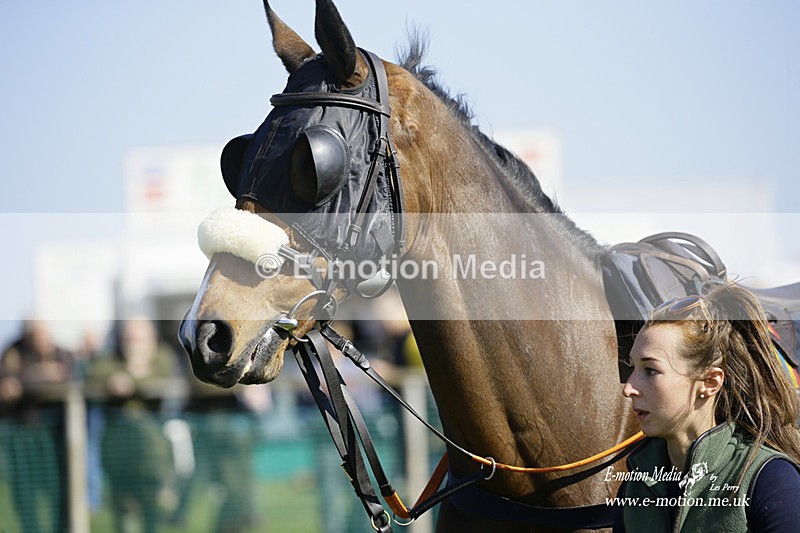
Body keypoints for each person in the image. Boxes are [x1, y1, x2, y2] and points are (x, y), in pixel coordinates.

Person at [614, 282, 800, 532]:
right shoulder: (633, 487)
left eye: (650, 370)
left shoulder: (771, 479)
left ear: (710, 382)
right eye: (632, 368)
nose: (628, 388)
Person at [86, 317, 179, 533]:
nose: (134, 344)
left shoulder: (162, 355)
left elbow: (163, 376)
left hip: (152, 448)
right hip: (118, 448)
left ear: (151, 339)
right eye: (130, 339)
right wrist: (121, 377)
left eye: (139, 339)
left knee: (151, 503)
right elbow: (95, 374)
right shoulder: (111, 358)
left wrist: (131, 379)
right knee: (122, 503)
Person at [0, 319, 75, 533]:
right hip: (21, 434)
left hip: (54, 434)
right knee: (25, 492)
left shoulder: (62, 353)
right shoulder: (12, 353)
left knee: (59, 490)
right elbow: (7, 382)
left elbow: (67, 376)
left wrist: (25, 380)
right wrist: (41, 374)